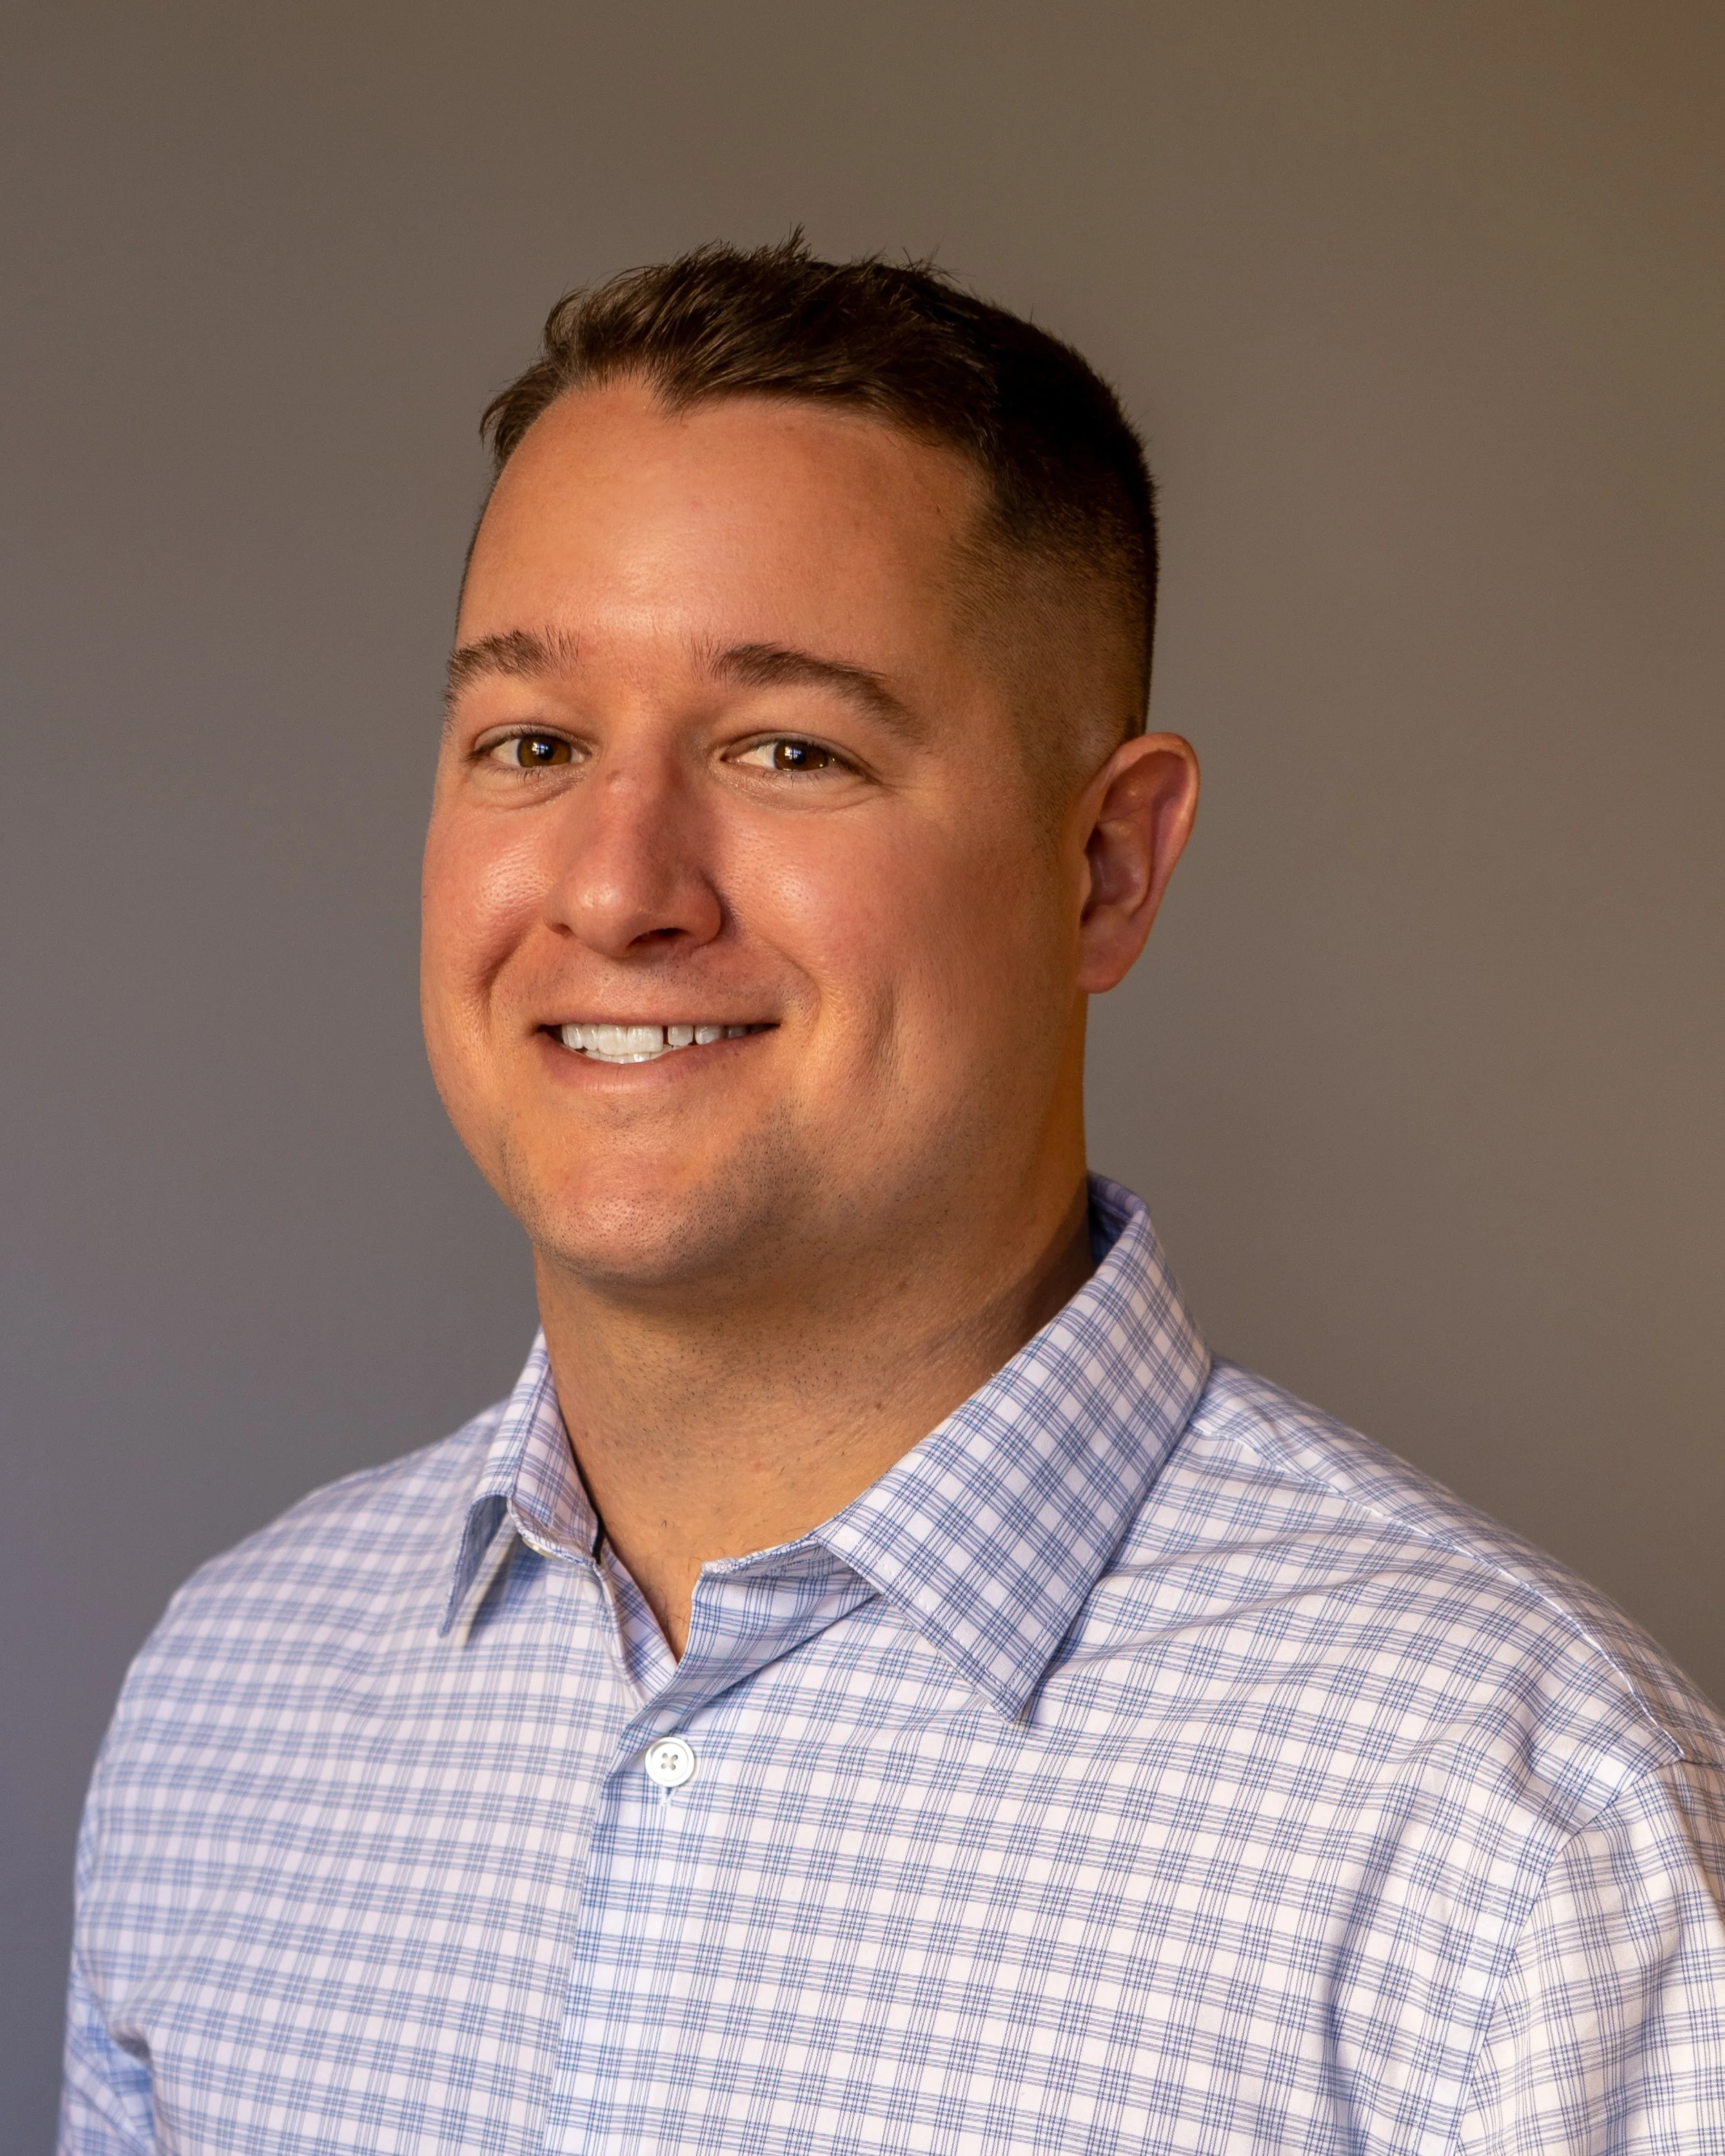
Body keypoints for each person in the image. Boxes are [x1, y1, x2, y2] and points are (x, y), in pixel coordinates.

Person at [62, 238, 1725, 2156]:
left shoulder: (1523, 1854)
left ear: (1105, 868)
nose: (615, 888)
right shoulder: (227, 1703)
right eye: (534, 743)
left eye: (790, 749)